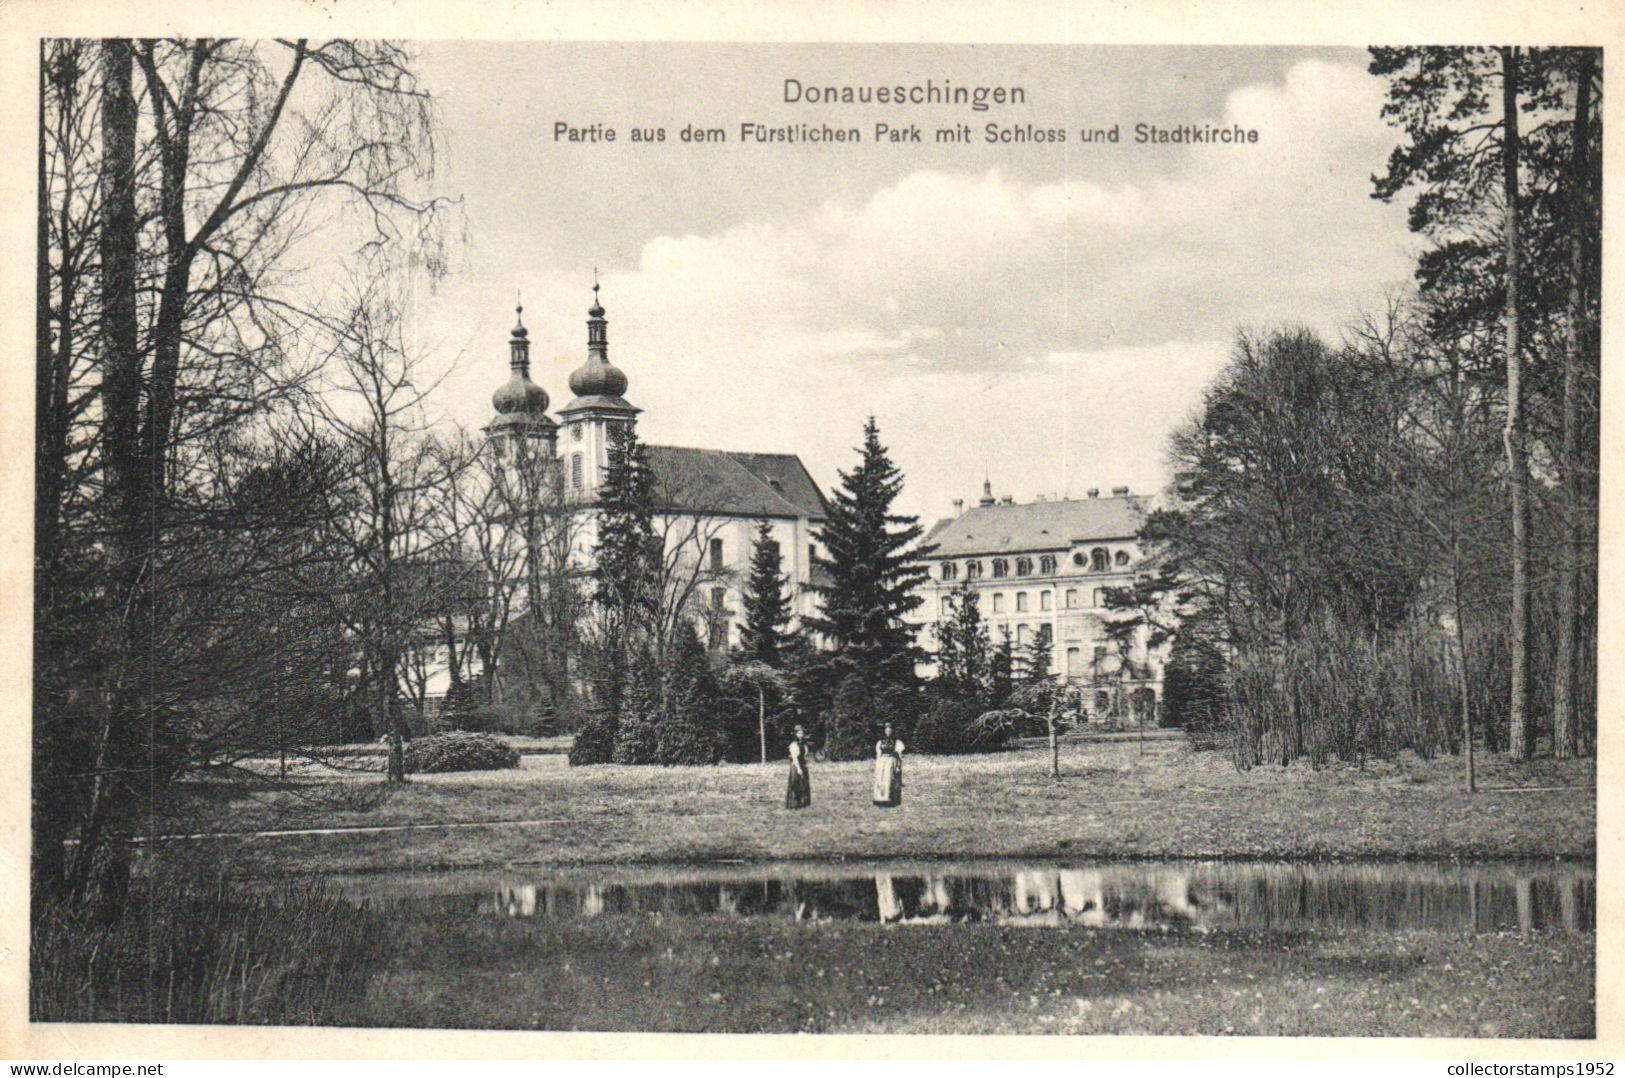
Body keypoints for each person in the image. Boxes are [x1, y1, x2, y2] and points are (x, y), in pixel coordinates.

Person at [872, 723, 904, 807]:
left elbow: (899, 755)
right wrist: (877, 764)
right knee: (880, 779)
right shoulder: (880, 741)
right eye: (887, 730)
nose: (888, 731)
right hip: (882, 761)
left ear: (892, 731)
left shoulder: (896, 741)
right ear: (884, 731)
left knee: (888, 779)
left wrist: (898, 766)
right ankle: (879, 799)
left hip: (891, 761)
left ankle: (888, 799)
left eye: (890, 730)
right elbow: (878, 754)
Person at [785, 724, 811, 809]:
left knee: (804, 784)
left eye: (802, 733)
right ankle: (795, 804)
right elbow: (795, 758)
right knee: (796, 784)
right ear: (795, 734)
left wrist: (804, 765)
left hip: (803, 765)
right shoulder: (794, 745)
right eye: (799, 733)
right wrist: (799, 769)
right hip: (796, 767)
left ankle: (803, 803)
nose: (801, 735)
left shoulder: (803, 744)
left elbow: (805, 754)